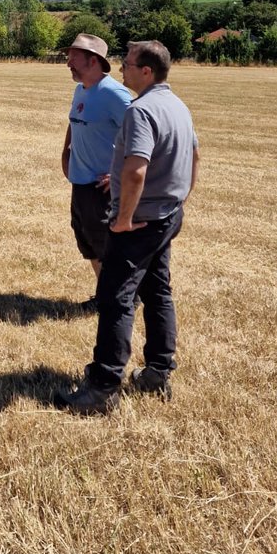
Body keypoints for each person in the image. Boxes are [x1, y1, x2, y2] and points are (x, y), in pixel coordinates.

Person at [55, 40, 199, 414]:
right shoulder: (177, 105)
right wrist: (180, 199)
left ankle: (103, 387)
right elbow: (195, 156)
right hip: (166, 215)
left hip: (139, 221)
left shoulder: (142, 110)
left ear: (146, 71)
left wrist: (122, 219)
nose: (122, 70)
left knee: (116, 299)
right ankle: (158, 370)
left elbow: (135, 170)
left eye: (128, 65)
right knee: (158, 291)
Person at [61, 33, 132, 310]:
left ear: (93, 60)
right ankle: (106, 295)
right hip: (80, 181)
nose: (68, 63)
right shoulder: (81, 90)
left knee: (107, 246)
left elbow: (141, 135)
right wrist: (65, 152)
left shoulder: (114, 94)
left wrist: (119, 174)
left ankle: (120, 298)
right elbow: (74, 121)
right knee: (88, 241)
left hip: (102, 187)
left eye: (73, 58)